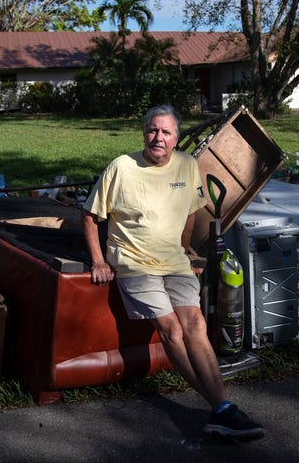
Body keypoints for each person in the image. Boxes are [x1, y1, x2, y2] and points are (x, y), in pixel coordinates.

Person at [82, 104, 265, 439]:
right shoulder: (122, 167)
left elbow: (192, 212)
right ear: (143, 133)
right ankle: (221, 406)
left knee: (195, 324)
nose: (158, 138)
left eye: (166, 132)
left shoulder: (187, 165)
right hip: (134, 263)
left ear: (176, 138)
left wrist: (185, 250)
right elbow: (91, 217)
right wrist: (98, 260)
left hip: (174, 263)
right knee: (171, 330)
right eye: (153, 130)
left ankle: (220, 409)